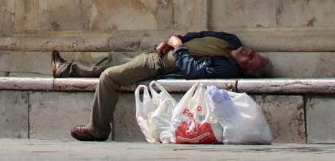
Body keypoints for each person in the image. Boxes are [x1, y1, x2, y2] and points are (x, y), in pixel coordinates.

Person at [52, 30, 265, 141]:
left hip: (158, 65)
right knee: (112, 60)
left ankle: (98, 130)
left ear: (243, 70)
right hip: (161, 53)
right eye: (252, 53)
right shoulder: (231, 40)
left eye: (249, 61)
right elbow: (199, 35)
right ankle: (64, 70)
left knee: (109, 76)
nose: (247, 54)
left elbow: (193, 71)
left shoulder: (228, 68)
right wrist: (174, 39)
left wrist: (178, 46)